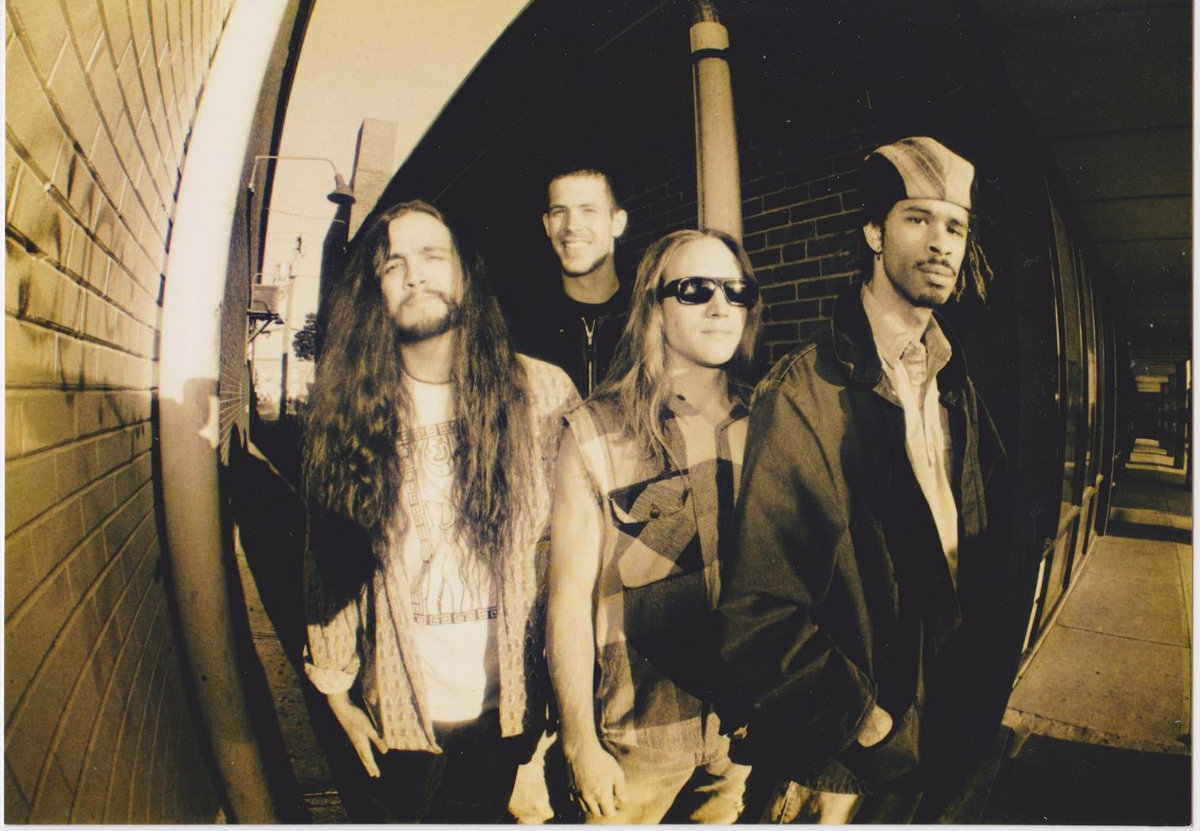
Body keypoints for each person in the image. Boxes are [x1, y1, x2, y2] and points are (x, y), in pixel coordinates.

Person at [717, 137, 1006, 824]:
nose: (941, 243)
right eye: (918, 218)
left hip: (942, 727)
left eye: (955, 226)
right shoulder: (803, 391)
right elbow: (758, 613)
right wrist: (865, 723)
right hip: (848, 762)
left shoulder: (955, 379)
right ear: (874, 232)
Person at [301, 200, 578, 823]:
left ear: (464, 274)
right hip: (401, 705)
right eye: (392, 264)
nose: (414, 274)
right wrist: (336, 686)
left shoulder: (542, 392)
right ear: (375, 292)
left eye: (432, 255)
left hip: (516, 707)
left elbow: (576, 550)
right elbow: (327, 556)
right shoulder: (349, 410)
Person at [547, 228, 762, 824]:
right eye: (695, 289)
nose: (720, 306)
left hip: (746, 731)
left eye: (736, 291)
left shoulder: (769, 420)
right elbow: (567, 601)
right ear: (654, 307)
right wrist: (579, 743)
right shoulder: (595, 431)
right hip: (636, 741)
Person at [511, 167, 632, 397]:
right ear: (547, 224)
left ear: (617, 223)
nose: (571, 226)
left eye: (588, 211)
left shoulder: (647, 319)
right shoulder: (520, 331)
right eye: (559, 212)